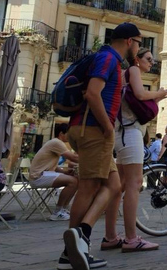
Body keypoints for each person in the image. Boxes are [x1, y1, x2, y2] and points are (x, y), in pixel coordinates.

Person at [59, 22, 140, 270]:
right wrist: (107, 127)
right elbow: (94, 93)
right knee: (89, 186)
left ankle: (78, 238)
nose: (139, 47)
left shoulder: (108, 59)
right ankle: (74, 248)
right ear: (129, 41)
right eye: (139, 42)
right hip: (94, 129)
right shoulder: (107, 59)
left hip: (88, 128)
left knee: (114, 186)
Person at [102, 47, 167, 253]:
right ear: (137, 60)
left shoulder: (127, 76)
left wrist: (156, 99)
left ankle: (111, 236)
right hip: (129, 134)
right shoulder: (133, 71)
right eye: (148, 59)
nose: (152, 63)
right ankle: (131, 238)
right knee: (134, 183)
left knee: (120, 185)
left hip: (122, 133)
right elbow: (140, 95)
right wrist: (158, 93)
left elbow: (135, 102)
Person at [28, 123, 79, 221]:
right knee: (73, 181)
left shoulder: (55, 143)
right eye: (69, 133)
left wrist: (65, 172)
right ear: (61, 133)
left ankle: (63, 209)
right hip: (38, 177)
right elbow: (73, 158)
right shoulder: (57, 142)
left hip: (43, 174)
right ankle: (57, 212)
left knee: (75, 180)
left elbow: (53, 167)